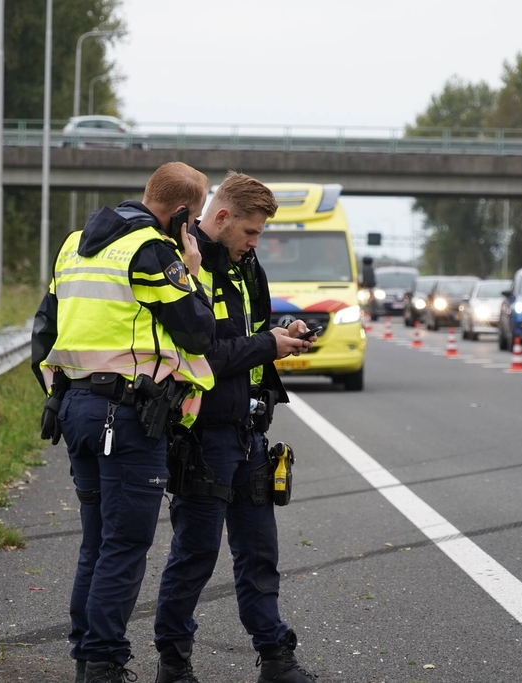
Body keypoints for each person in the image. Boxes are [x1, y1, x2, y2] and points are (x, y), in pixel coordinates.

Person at [31, 162, 217, 683]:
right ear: (181, 213)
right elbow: (199, 332)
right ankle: (104, 663)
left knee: (97, 541)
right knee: (125, 544)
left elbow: (44, 332)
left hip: (76, 408)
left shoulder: (74, 245)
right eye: (193, 220)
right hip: (127, 417)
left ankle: (86, 657)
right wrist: (193, 270)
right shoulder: (152, 251)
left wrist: (63, 395)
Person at [153, 172, 318, 683]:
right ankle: (173, 663)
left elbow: (251, 334)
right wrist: (268, 345)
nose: (255, 242)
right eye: (251, 232)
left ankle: (276, 657)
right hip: (202, 436)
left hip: (249, 431)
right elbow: (201, 354)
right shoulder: (184, 264)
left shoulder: (247, 266)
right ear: (222, 217)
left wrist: (282, 334)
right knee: (195, 554)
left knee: (260, 552)